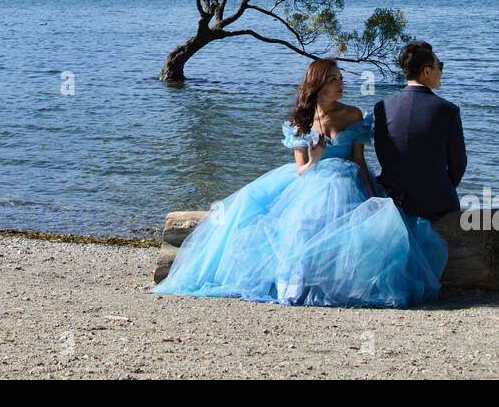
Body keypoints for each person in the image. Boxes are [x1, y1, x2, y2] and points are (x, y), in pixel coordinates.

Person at [152, 57, 448, 307]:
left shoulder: (353, 114)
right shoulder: (301, 122)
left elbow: (359, 162)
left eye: (340, 78)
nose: (340, 84)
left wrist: (372, 197)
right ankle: (300, 285)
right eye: (332, 79)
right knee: (280, 218)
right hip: (313, 182)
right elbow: (301, 171)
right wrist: (316, 158)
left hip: (349, 182)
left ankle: (342, 284)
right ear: (317, 84)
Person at [373, 41, 467, 224]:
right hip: (437, 205)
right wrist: (437, 186)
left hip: (395, 202)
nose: (441, 71)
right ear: (426, 71)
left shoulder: (382, 108)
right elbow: (458, 164)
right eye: (440, 66)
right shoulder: (448, 110)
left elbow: (384, 156)